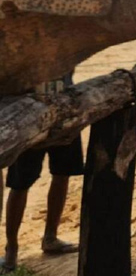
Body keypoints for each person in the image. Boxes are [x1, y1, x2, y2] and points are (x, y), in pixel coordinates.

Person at [1, 72, 83, 273]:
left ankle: (50, 237)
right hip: (30, 116)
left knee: (62, 174)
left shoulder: (65, 41)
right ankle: (11, 248)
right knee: (20, 183)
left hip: (63, 110)